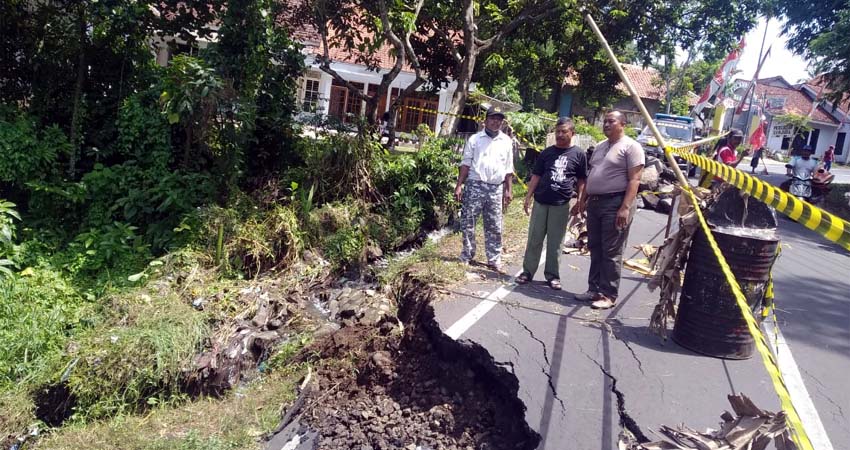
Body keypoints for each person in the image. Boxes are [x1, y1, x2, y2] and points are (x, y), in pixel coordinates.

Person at [574, 111, 644, 310]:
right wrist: (582, 200)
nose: (606, 124)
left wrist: (625, 207)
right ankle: (594, 289)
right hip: (595, 203)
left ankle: (609, 294)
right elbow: (591, 175)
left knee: (611, 250)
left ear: (623, 124)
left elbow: (634, 180)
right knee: (595, 247)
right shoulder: (600, 146)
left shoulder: (632, 147)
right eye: (604, 121)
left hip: (616, 203)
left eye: (611, 121)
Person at [515, 117, 588, 290]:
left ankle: (552, 276)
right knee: (534, 238)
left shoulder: (579, 154)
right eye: (558, 132)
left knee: (556, 242)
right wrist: (528, 197)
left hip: (561, 204)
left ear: (572, 133)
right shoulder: (547, 153)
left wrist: (580, 201)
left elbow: (582, 180)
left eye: (564, 132)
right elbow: (536, 176)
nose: (560, 135)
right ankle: (527, 272)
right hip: (541, 202)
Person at [455, 106, 514, 272]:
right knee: (468, 222)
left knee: (495, 225)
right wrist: (459, 185)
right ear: (485, 121)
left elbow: (509, 168)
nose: (496, 122)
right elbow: (465, 163)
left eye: (499, 119)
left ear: (502, 122)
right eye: (493, 118)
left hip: (496, 188)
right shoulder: (475, 139)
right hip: (475, 184)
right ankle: (467, 254)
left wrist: (508, 190)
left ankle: (494, 259)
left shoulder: (506, 141)